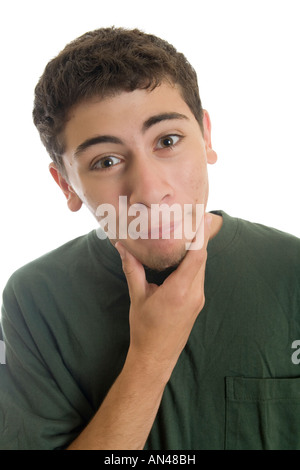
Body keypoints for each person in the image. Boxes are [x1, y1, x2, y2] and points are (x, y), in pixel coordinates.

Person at [0, 26, 300, 451]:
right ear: (65, 185)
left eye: (168, 140)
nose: (149, 191)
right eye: (105, 160)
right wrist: (151, 357)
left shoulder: (292, 272)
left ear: (206, 136)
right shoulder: (33, 301)